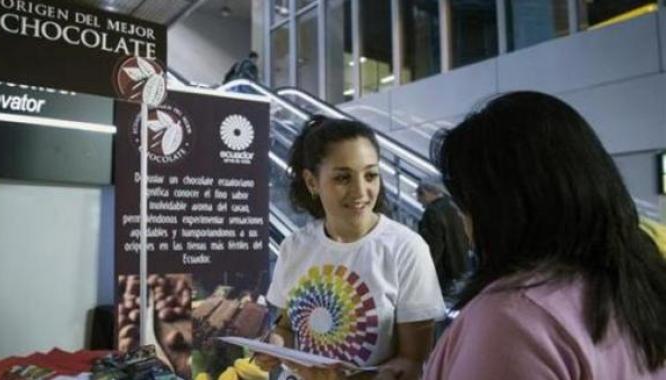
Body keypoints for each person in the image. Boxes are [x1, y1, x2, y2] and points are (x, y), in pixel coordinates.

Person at [424, 92, 666, 379]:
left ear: (502, 210)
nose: (466, 228)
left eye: (466, 207)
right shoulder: (640, 284)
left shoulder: (512, 322)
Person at [260, 116, 445, 380]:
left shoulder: (406, 248)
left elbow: (413, 361)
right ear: (312, 182)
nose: (361, 191)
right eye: (343, 178)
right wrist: (275, 345)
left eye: (370, 175)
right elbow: (287, 328)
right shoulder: (295, 247)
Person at [415, 177, 470, 299]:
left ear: (427, 192)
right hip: (461, 267)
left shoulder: (432, 213)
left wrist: (423, 274)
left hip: (443, 274)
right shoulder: (454, 205)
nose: (418, 199)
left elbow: (433, 248)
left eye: (420, 193)